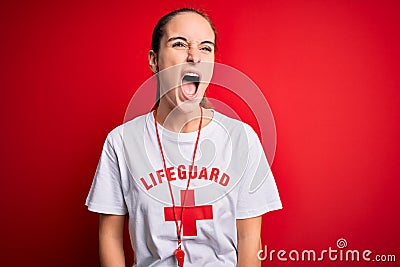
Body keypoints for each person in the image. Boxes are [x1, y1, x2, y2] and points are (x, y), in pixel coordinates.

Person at [86, 8, 282, 267]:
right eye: (179, 44)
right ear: (154, 60)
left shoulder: (241, 139)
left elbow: (249, 239)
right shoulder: (121, 142)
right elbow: (109, 235)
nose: (194, 56)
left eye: (205, 47)